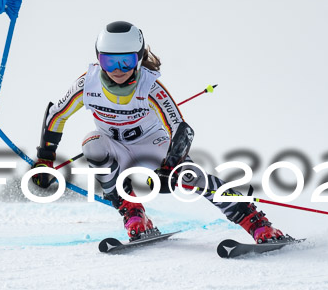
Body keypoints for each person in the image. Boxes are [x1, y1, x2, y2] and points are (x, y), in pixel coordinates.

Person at [31, 21, 287, 243]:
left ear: (139, 58)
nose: (118, 69)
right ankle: (133, 214)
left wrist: (170, 165)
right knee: (92, 144)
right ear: (99, 58)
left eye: (126, 60)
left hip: (152, 145)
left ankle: (257, 224)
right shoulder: (87, 84)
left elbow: (181, 130)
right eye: (109, 61)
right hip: (115, 146)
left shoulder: (149, 87)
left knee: (189, 177)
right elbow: (57, 115)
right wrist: (45, 158)